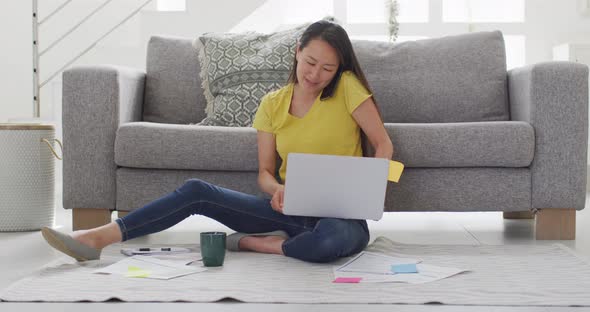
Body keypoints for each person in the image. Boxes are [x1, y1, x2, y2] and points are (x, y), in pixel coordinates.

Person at [41, 20, 394, 264]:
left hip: (341, 219)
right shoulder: (272, 103)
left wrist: (367, 186)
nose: (315, 75)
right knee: (196, 190)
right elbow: (265, 173)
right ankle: (97, 238)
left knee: (328, 241)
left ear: (340, 70)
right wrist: (275, 191)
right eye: (311, 62)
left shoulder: (348, 88)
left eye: (327, 69)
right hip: (289, 212)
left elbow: (383, 146)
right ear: (297, 52)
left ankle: (261, 244)